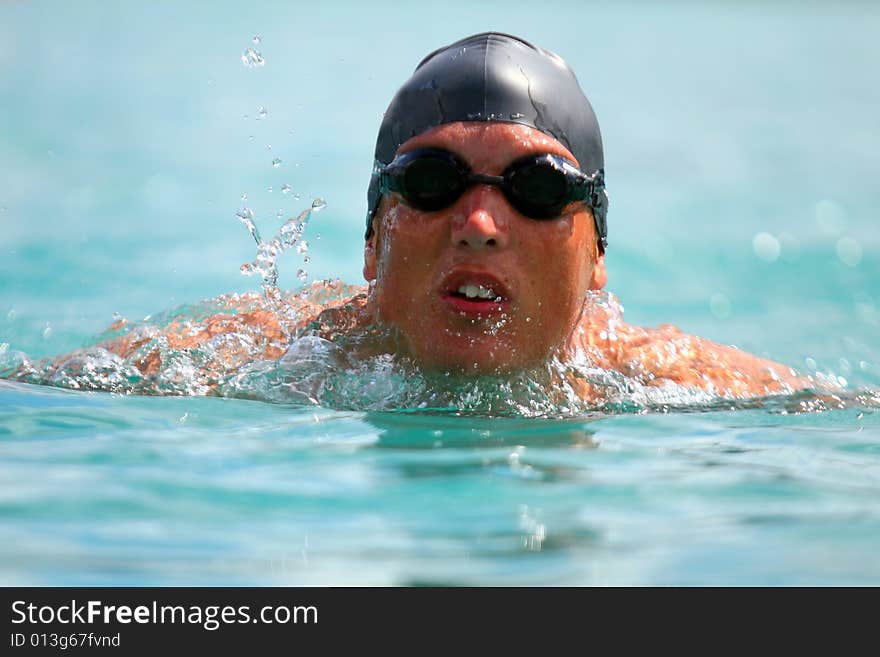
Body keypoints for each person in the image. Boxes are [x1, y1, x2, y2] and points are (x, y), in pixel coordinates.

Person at [12, 32, 811, 403]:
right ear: (371, 239)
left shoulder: (684, 384)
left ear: (597, 249)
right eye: (431, 181)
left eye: (536, 186)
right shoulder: (259, 357)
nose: (479, 222)